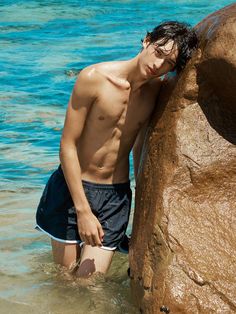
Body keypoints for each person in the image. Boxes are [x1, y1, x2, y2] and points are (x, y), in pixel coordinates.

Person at [35, 21, 198, 278]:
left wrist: (142, 206)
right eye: (159, 52)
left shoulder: (156, 91)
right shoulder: (93, 78)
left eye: (168, 63)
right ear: (146, 41)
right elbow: (67, 145)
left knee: (89, 284)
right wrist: (83, 211)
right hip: (71, 189)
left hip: (114, 195)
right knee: (65, 282)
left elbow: (139, 147)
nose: (158, 65)